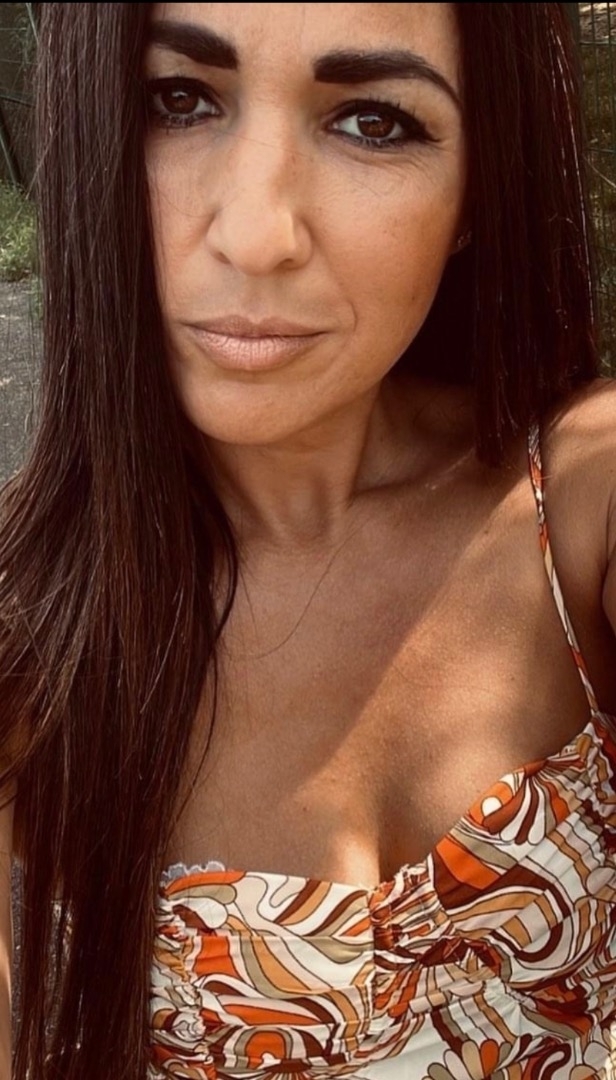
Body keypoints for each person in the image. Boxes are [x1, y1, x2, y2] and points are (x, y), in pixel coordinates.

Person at [0, 1, 615, 1077]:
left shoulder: (580, 495)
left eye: (374, 121)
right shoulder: (28, 621)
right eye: (178, 100)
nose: (255, 234)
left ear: (478, 191)